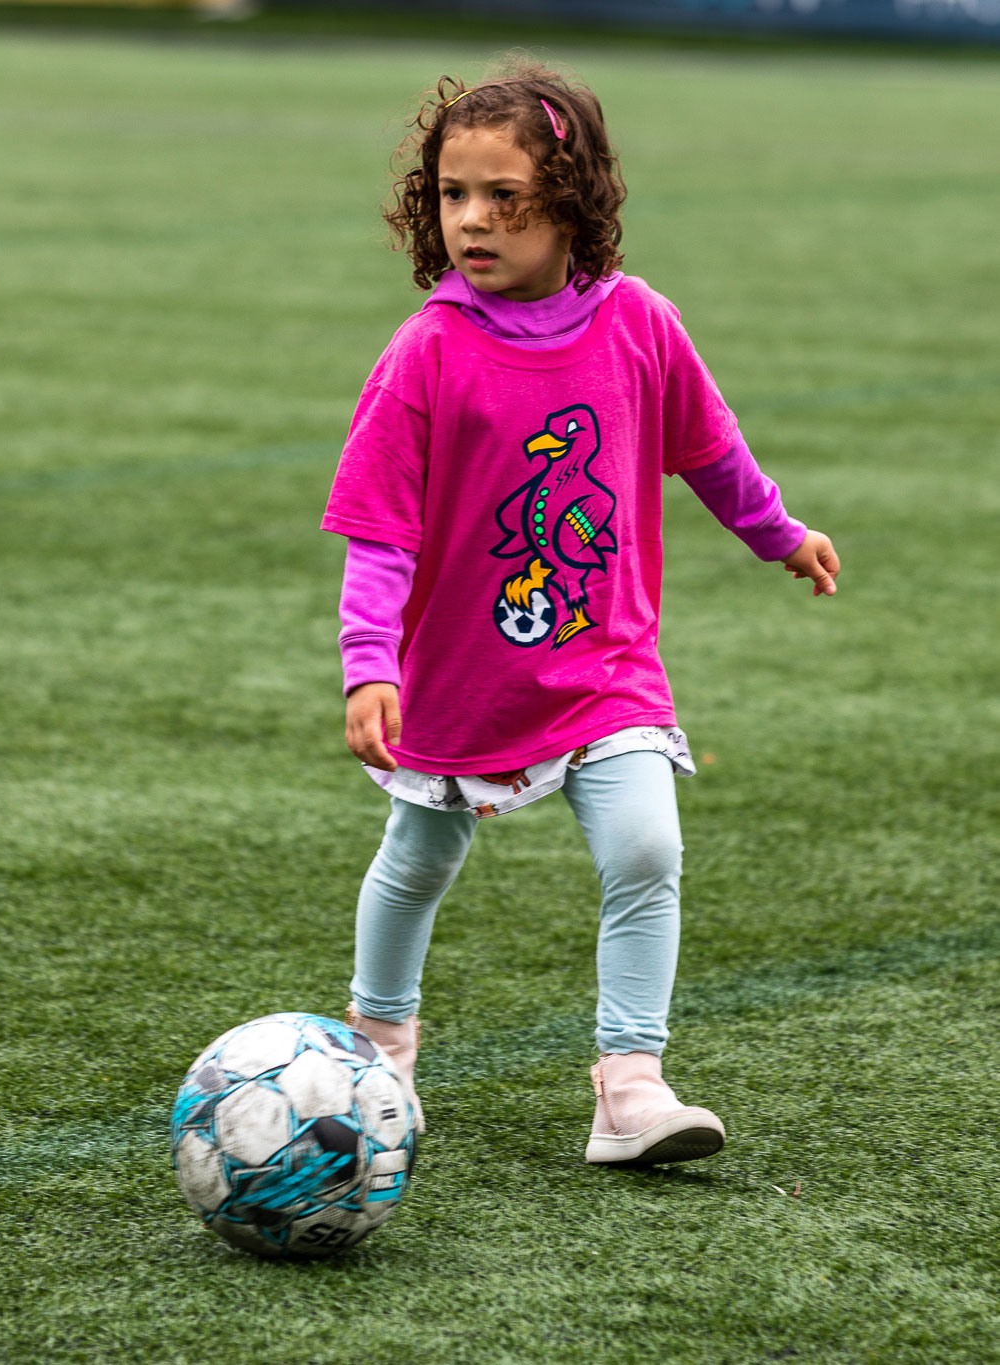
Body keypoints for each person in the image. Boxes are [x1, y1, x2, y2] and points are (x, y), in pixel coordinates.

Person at [321, 60, 840, 1167]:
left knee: (647, 845)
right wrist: (372, 659)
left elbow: (709, 447)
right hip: (462, 676)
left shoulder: (640, 323)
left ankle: (630, 1085)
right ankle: (379, 1054)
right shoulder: (426, 353)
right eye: (453, 193)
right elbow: (381, 527)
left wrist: (778, 533)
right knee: (415, 861)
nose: (473, 219)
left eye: (503, 195)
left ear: (574, 201)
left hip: (607, 669)